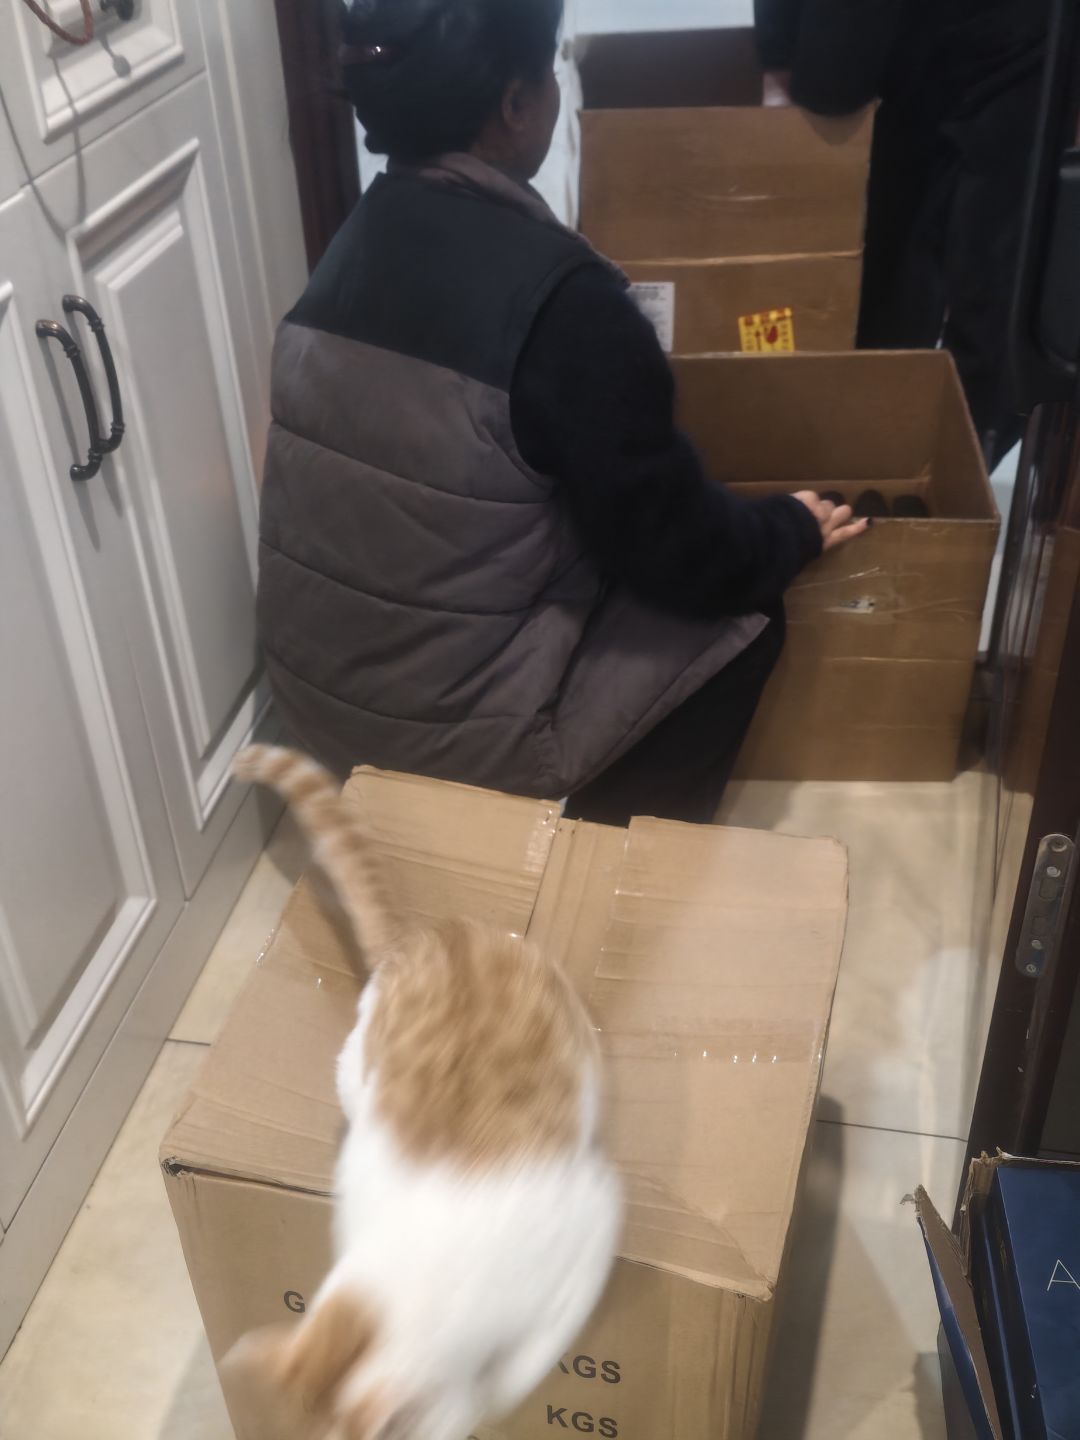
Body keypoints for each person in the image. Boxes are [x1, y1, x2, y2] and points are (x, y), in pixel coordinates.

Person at [257, 0, 866, 828]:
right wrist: (790, 530)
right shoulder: (569, 308)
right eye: (546, 74)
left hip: (314, 722)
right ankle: (602, 865)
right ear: (515, 104)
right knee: (748, 604)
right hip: (440, 756)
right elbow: (685, 555)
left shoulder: (348, 245)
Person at [754, 0, 1050, 469]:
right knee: (877, 278)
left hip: (1012, 36)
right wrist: (777, 55)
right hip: (885, 47)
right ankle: (863, 461)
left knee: (991, 294)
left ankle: (946, 478)